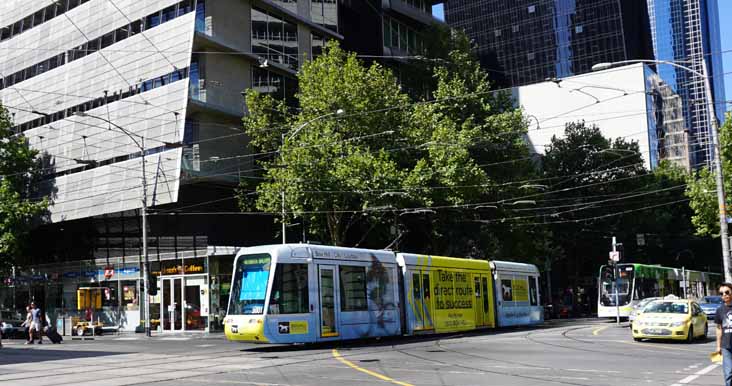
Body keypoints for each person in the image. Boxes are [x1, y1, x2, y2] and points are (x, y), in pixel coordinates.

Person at [714, 282, 732, 386]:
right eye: (721, 293)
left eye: (727, 292)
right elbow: (718, 328)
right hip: (726, 346)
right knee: (728, 373)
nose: (724, 295)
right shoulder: (720, 310)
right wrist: (718, 346)